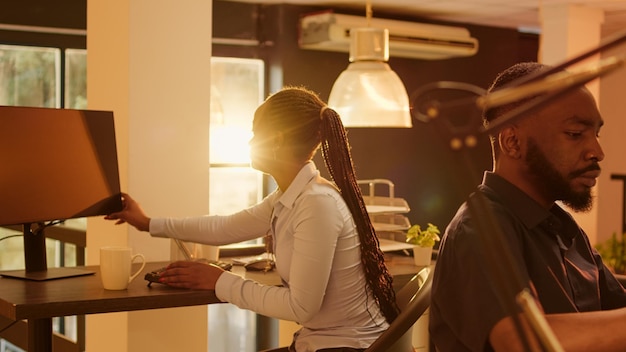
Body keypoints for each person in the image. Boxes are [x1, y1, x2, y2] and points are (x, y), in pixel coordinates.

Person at [105, 86, 399, 352]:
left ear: (277, 140)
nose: (250, 140)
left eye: (256, 133)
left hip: (348, 348)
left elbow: (301, 307)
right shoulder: (293, 196)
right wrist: (147, 223)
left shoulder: (316, 203)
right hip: (322, 343)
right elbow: (225, 227)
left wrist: (220, 281)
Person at [429, 62, 626, 352]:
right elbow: (520, 340)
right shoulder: (479, 230)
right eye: (575, 134)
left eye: (596, 134)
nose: (597, 151)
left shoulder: (563, 228)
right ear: (512, 142)